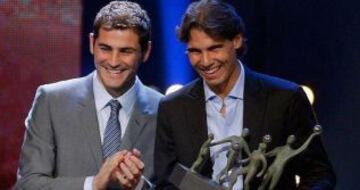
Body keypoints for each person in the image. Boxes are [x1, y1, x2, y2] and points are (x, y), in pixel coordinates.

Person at [154, 0, 336, 189]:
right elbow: (167, 181)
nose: (206, 61)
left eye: (214, 48)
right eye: (195, 51)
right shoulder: (173, 107)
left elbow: (319, 174)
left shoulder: (285, 99)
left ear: (236, 40)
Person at [15, 1, 163, 190]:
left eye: (126, 51)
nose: (114, 61)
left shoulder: (165, 110)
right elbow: (27, 184)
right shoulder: (51, 101)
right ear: (92, 43)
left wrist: (140, 186)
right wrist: (92, 184)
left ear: (146, 51)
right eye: (105, 48)